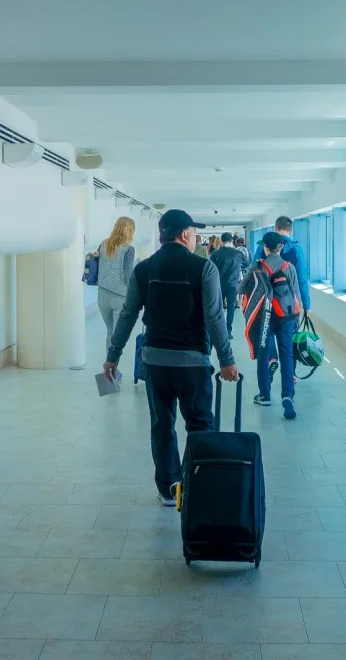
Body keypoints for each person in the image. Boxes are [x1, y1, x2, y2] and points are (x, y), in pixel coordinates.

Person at [103, 209, 239, 506]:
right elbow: (215, 318)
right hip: (193, 363)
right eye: (193, 233)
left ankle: (168, 488)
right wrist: (227, 360)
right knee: (200, 424)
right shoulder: (203, 269)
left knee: (162, 424)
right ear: (185, 235)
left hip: (156, 363)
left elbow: (128, 315)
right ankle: (198, 482)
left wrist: (113, 354)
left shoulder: (144, 269)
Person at [242, 232, 302, 419]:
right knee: (286, 355)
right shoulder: (289, 267)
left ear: (265, 248)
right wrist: (296, 322)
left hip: (264, 319)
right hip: (286, 318)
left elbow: (241, 288)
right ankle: (287, 396)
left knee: (263, 354)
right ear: (281, 247)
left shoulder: (258, 267)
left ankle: (265, 395)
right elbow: (295, 294)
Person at [252, 216, 311, 381]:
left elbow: (254, 272)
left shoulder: (264, 247)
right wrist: (307, 305)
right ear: (290, 230)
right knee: (290, 339)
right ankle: (290, 374)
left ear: (275, 228)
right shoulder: (296, 249)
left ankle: (272, 358)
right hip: (290, 305)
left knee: (267, 333)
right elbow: (302, 280)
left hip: (266, 303)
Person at [95, 216, 136, 354]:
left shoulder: (103, 244)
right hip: (120, 296)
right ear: (129, 231)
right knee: (116, 335)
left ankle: (109, 367)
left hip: (102, 296)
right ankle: (112, 368)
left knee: (110, 331)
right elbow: (128, 274)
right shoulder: (128, 249)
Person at [210, 232, 249, 340]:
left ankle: (219, 330)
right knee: (231, 307)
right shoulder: (237, 253)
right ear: (232, 240)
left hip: (219, 284)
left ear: (222, 241)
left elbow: (211, 268)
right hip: (233, 284)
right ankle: (228, 330)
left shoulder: (216, 253)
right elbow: (246, 264)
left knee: (219, 308)